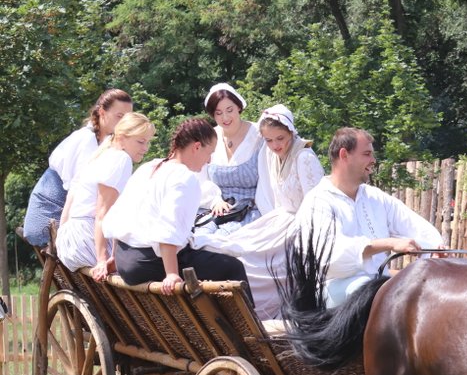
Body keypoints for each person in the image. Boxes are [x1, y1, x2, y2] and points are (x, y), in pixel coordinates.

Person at [192, 104, 324, 319]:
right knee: (236, 247)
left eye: (280, 138)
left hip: (304, 224)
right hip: (281, 218)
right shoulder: (273, 156)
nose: (275, 145)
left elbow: (318, 205)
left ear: (291, 131)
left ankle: (256, 310)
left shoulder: (304, 157)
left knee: (262, 263)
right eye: (269, 140)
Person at [101, 118, 252, 301]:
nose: (209, 160)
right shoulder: (184, 177)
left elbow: (122, 215)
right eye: (209, 152)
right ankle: (247, 328)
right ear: (196, 147)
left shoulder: (150, 166)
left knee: (208, 256)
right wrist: (171, 274)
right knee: (232, 266)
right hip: (147, 263)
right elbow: (168, 228)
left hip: (125, 258)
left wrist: (116, 258)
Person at [294, 127, 444, 307]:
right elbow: (330, 257)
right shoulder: (318, 201)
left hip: (378, 287)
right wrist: (389, 243)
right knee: (371, 291)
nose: (373, 160)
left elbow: (415, 227)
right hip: (331, 291)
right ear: (344, 155)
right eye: (366, 154)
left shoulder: (375, 197)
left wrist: (434, 248)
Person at [23, 88, 133, 246]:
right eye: (119, 116)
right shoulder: (87, 139)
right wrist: (64, 234)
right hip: (51, 212)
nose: (124, 123)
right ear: (102, 112)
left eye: (128, 118)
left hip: (74, 212)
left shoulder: (106, 143)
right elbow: (75, 191)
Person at [56, 113, 155, 278]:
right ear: (122, 138)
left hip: (71, 240)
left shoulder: (101, 154)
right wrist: (102, 260)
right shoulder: (121, 159)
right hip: (87, 238)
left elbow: (71, 199)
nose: (145, 148)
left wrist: (61, 236)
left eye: (148, 142)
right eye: (140, 141)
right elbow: (103, 214)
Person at [197, 82, 262, 232]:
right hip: (216, 209)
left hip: (250, 211)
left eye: (229, 110)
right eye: (218, 113)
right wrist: (215, 200)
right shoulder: (209, 137)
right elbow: (200, 178)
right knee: (197, 239)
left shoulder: (259, 135)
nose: (225, 117)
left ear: (239, 107)